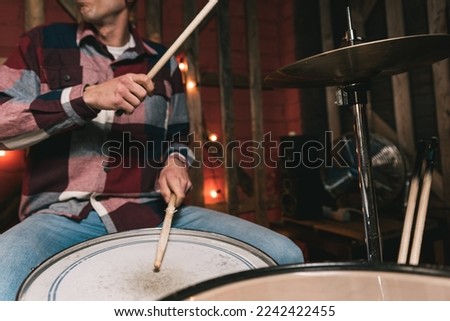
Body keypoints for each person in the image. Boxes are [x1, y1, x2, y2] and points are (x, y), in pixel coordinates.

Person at [0, 0, 303, 300]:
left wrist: (176, 163)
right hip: (60, 215)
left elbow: (178, 139)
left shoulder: (165, 62)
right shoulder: (42, 43)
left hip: (150, 210)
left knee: (283, 253)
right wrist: (87, 97)